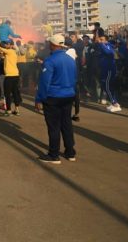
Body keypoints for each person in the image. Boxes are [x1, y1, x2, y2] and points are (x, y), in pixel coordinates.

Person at [35, 34, 77, 164]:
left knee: (54, 126)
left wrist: (39, 99)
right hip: (68, 95)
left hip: (53, 97)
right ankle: (70, 152)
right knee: (66, 124)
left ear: (53, 45)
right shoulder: (70, 59)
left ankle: (54, 155)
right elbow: (75, 78)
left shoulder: (50, 61)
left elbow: (44, 82)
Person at [0, 35, 22, 116]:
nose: (5, 45)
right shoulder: (12, 52)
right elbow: (1, 51)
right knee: (15, 92)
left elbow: (0, 47)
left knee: (7, 94)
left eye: (7, 44)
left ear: (10, 45)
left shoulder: (9, 51)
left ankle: (9, 110)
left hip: (9, 76)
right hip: (15, 75)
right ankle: (17, 110)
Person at [97, 35, 121, 112]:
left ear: (106, 41)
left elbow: (109, 53)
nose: (100, 41)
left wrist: (101, 44)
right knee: (106, 86)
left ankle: (115, 104)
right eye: (100, 39)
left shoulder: (107, 46)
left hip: (109, 70)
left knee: (107, 86)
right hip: (104, 69)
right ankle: (114, 102)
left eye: (102, 39)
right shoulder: (103, 46)